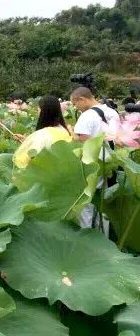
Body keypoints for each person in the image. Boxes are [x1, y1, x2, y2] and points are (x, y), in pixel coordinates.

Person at [70, 86, 119, 232]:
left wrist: (73, 134)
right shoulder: (112, 112)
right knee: (103, 200)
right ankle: (103, 235)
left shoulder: (87, 116)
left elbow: (83, 139)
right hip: (110, 160)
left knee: (86, 201)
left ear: (82, 99)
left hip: (92, 161)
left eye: (75, 103)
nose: (76, 107)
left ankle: (86, 235)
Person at [13, 95, 72, 169]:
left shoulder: (42, 134)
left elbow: (31, 157)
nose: (38, 110)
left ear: (44, 111)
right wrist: (26, 140)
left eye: (39, 108)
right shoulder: (64, 129)